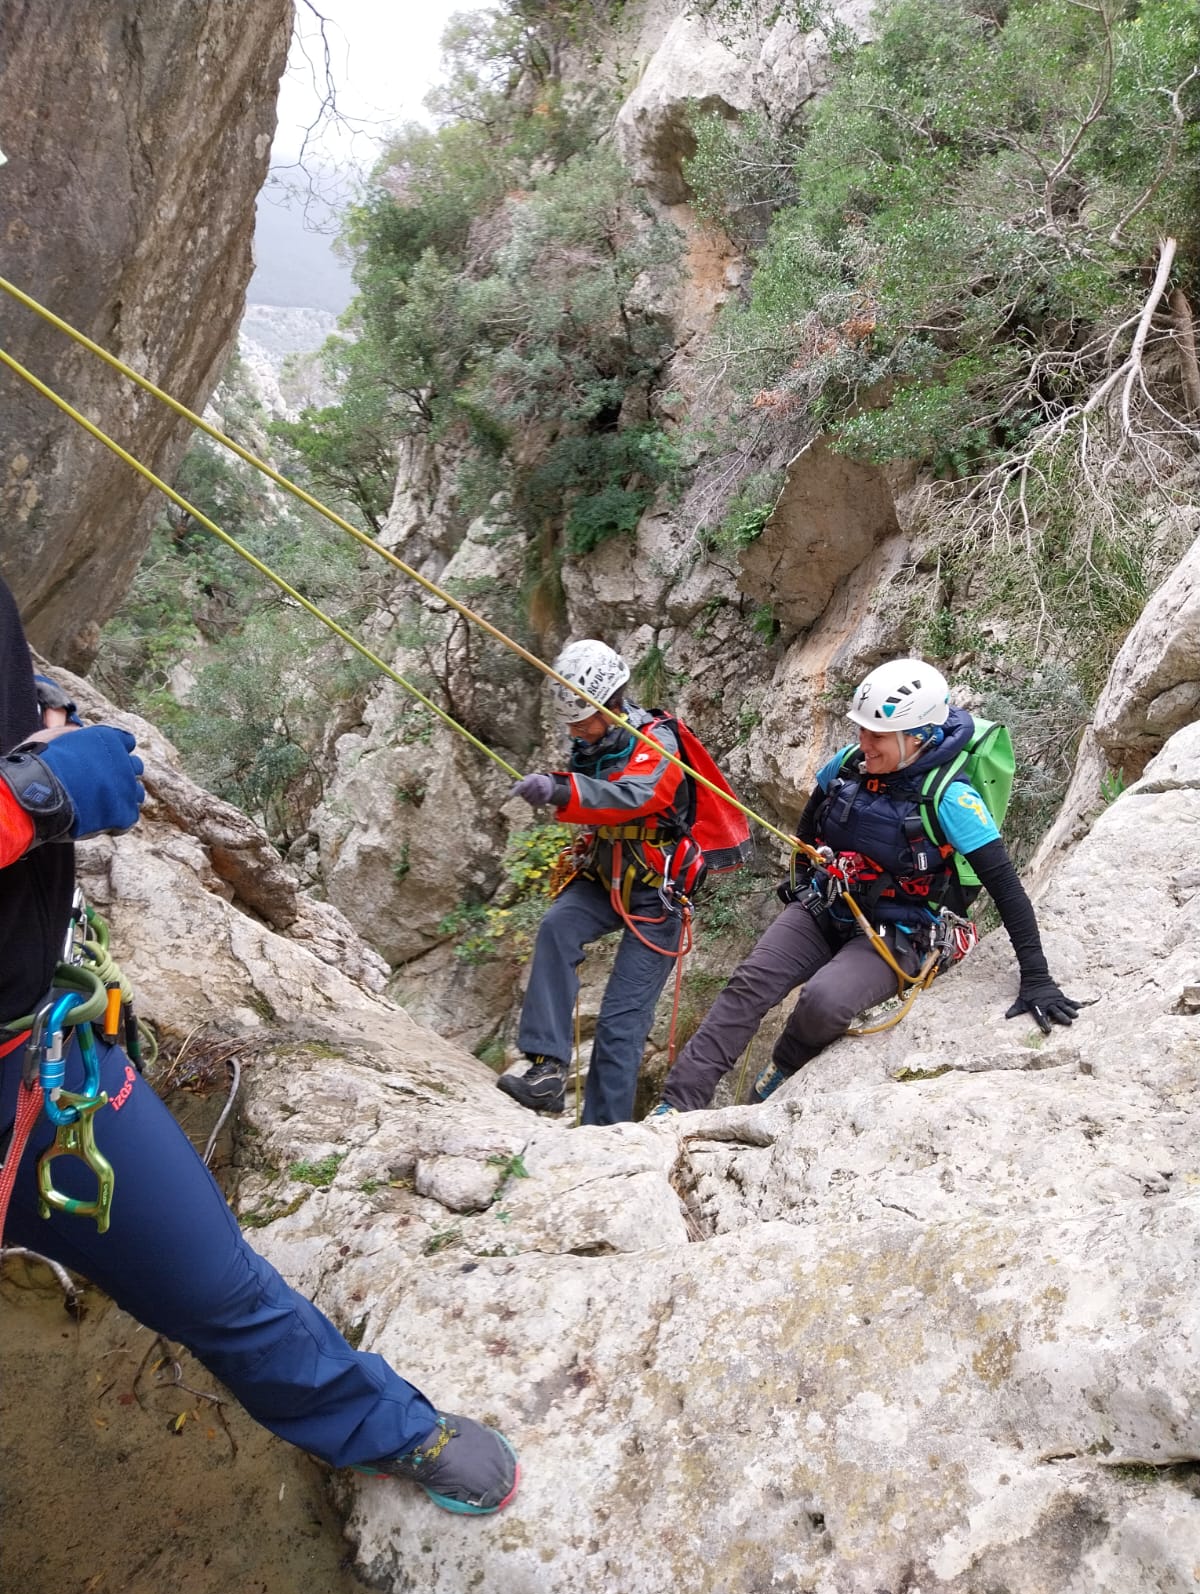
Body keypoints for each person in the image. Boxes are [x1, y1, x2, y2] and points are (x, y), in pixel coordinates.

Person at [0, 572, 517, 1514]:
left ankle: (388, 1426)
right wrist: (23, 801)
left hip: (50, 1052)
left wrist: (36, 719)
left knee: (219, 1282)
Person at [652, 658, 1080, 1114]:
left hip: (901, 929)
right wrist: (803, 877)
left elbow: (1006, 888)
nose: (863, 743)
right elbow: (809, 826)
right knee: (748, 986)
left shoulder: (951, 797)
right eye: (861, 730)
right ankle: (676, 1107)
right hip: (828, 904)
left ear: (917, 736)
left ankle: (783, 1065)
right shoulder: (850, 765)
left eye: (876, 735)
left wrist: (1037, 978)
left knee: (824, 1002)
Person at [498, 639, 690, 1125]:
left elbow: (635, 794)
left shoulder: (657, 741)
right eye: (572, 723)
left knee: (621, 1026)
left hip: (655, 890)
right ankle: (547, 1069)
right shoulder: (591, 745)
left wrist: (559, 788)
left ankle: (604, 1133)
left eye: (584, 720)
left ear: (613, 706)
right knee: (557, 927)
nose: (577, 730)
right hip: (605, 875)